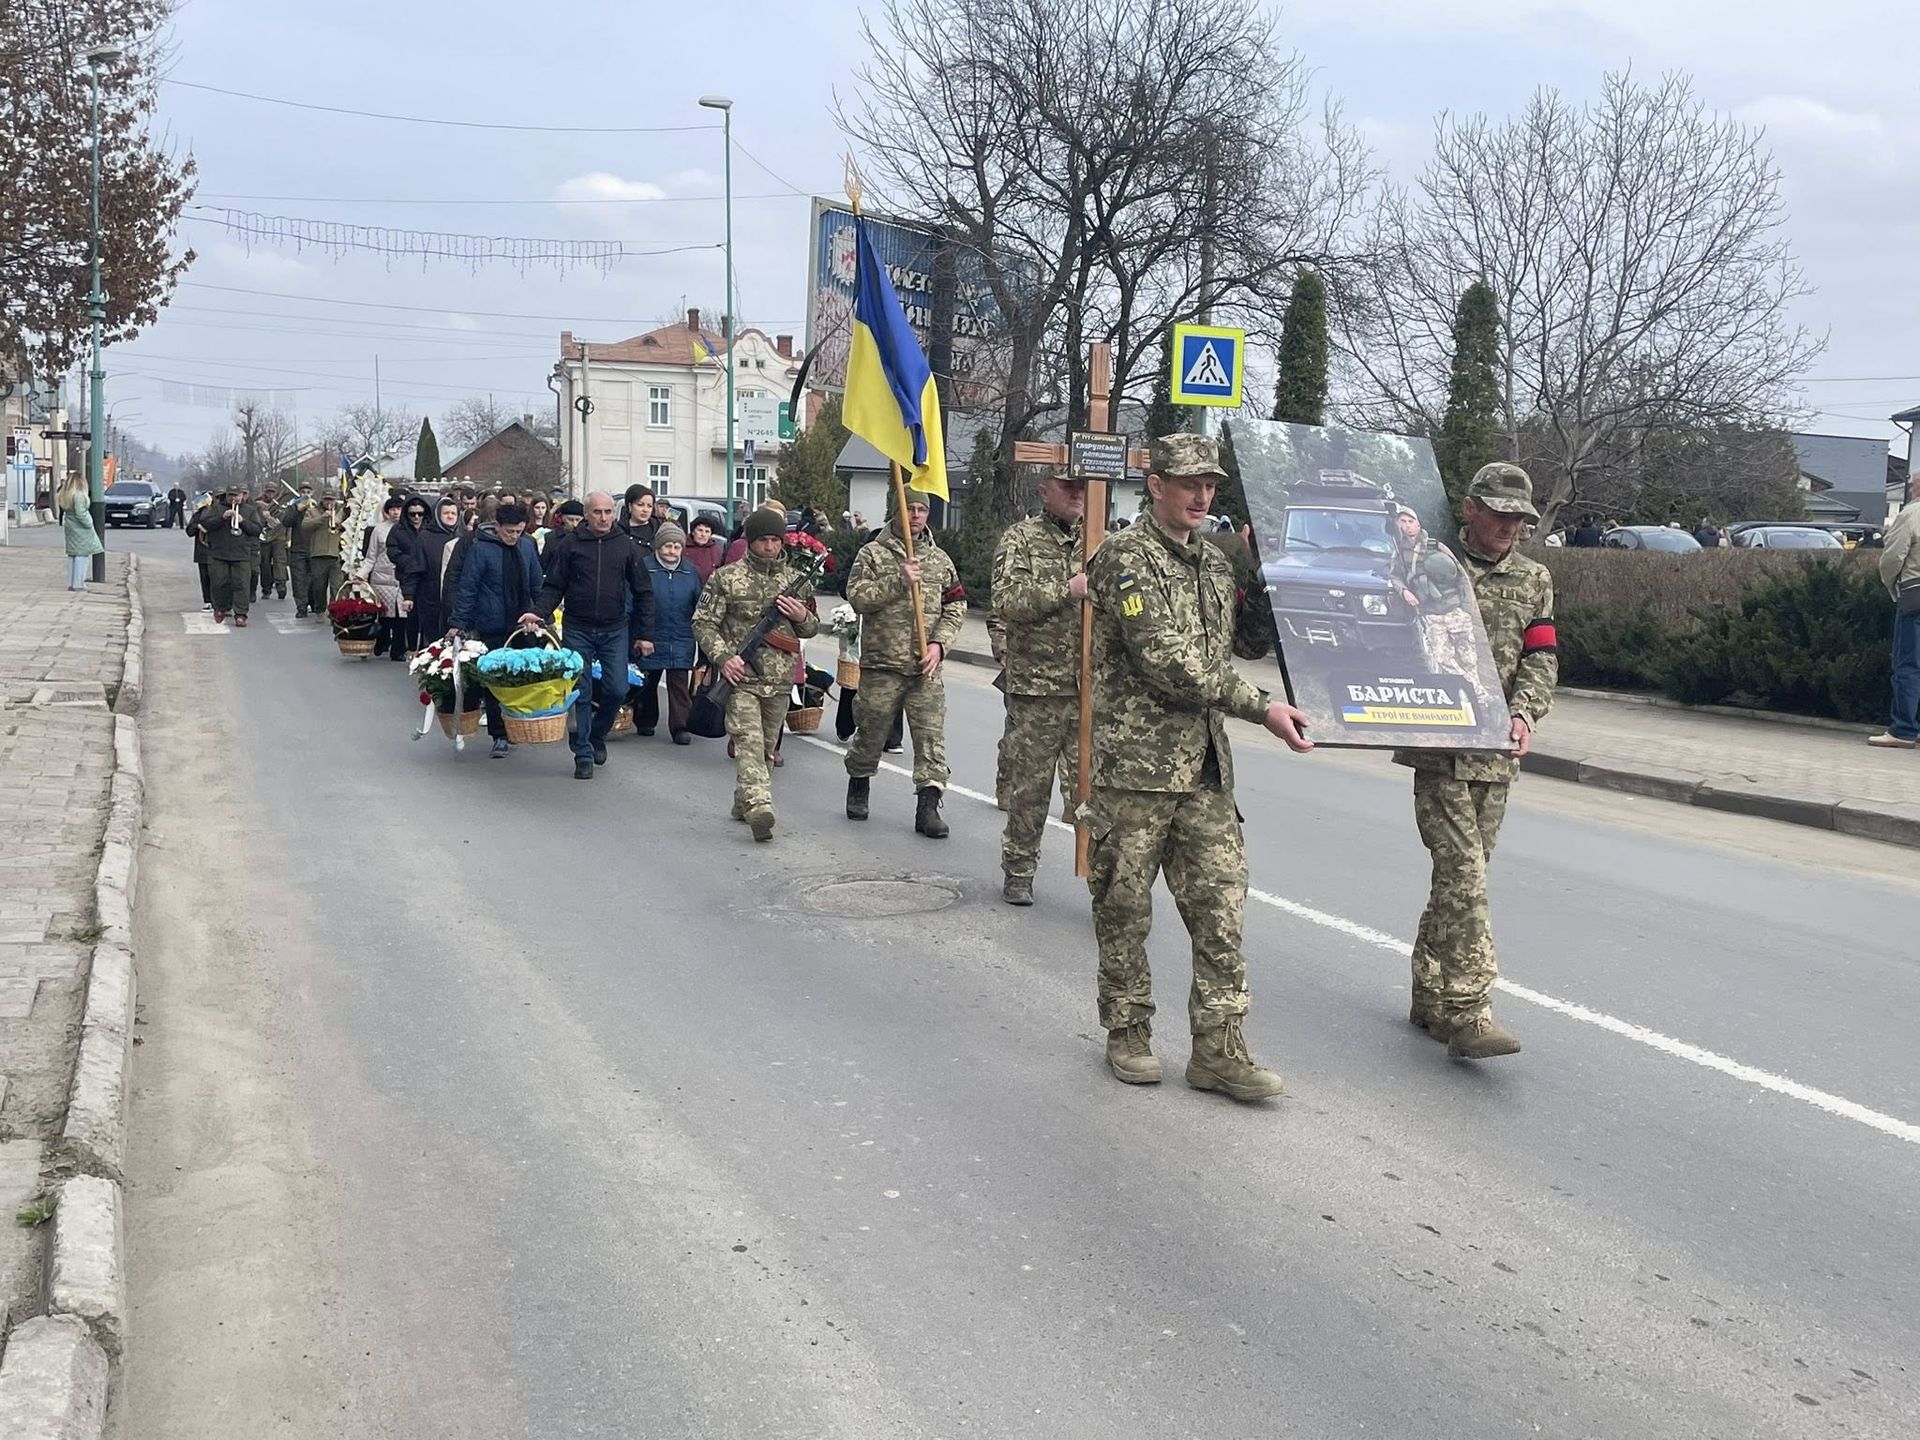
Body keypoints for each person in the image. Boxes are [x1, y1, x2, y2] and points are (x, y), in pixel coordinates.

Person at [1083, 434, 1314, 1101]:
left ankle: (1218, 1049)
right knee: (1123, 908)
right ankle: (1127, 1030)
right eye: (1189, 483)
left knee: (1222, 908)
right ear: (1156, 485)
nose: (1201, 495)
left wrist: (1270, 577)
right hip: (1136, 769)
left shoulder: (1213, 564)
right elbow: (1166, 663)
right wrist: (1262, 707)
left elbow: (1243, 641)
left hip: (1204, 770)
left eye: (1210, 485)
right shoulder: (1124, 559)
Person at [1395, 463, 1557, 1060]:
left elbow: (1542, 655)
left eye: (1520, 518)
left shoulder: (1535, 577)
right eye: (1500, 513)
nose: (1510, 526)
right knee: (1463, 870)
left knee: (1462, 877)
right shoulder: (1425, 561)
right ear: (1471, 509)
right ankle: (1468, 1009)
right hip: (1436, 741)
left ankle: (1428, 993)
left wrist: (1526, 712)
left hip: (1495, 749)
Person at [843, 491, 968, 837]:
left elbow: (956, 605)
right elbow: (857, 597)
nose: (916, 515)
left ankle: (927, 806)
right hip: (883, 664)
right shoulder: (873, 554)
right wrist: (899, 580)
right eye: (909, 509)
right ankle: (859, 782)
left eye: (922, 510)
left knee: (931, 740)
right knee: (870, 732)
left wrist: (939, 645)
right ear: (896, 511)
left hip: (924, 667)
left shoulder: (940, 560)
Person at [690, 507, 817, 841]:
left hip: (779, 679)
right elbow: (703, 622)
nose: (771, 547)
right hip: (741, 677)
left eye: (776, 540)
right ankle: (760, 805)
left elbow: (812, 627)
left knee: (765, 749)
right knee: (748, 741)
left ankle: (742, 800)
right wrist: (724, 657)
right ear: (751, 540)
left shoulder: (794, 581)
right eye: (764, 540)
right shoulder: (726, 578)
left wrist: (801, 614)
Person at [991, 469, 1088, 905]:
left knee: (1094, 794)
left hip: (1091, 690)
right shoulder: (1021, 540)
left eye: (1084, 486)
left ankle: (1103, 881)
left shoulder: (1103, 540)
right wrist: (1068, 590)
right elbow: (1008, 601)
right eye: (1068, 486)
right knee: (1030, 790)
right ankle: (1019, 869)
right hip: (1037, 690)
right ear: (1044, 489)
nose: (1078, 494)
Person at [519, 491, 653, 779]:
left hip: (615, 629)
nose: (603, 518)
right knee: (581, 691)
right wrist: (539, 612)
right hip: (578, 628)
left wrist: (645, 634)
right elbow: (554, 586)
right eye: (597, 512)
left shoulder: (625, 547)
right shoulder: (570, 546)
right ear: (587, 515)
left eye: (608, 512)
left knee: (617, 688)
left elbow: (643, 591)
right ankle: (583, 752)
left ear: (614, 514)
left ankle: (597, 735)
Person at [453, 502, 545, 760]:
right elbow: (468, 588)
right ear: (497, 527)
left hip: (523, 623)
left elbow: (537, 583)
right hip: (491, 624)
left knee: (522, 676)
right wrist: (458, 623)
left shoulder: (527, 546)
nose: (514, 536)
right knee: (494, 680)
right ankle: (499, 734)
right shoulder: (480, 549)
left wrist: (540, 614)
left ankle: (519, 725)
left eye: (518, 531)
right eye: (509, 532)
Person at [635, 522, 701, 743]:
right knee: (648, 681)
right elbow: (632, 601)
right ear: (658, 547)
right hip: (651, 633)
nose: (672, 552)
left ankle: (680, 726)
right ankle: (645, 719)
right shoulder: (644, 567)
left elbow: (699, 605)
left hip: (681, 634)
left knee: (679, 682)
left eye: (676, 547)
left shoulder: (690, 572)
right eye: (667, 547)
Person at [1869, 500, 1920, 748]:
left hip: (1916, 594)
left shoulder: (1912, 513)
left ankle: (1904, 729)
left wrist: (1892, 584)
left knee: (1908, 663)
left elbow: (1893, 556)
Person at [190, 485, 265, 625]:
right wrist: (222, 518)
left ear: (242, 496)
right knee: (219, 583)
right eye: (231, 495)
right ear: (226, 495)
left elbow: (257, 530)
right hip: (218, 553)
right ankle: (220, 608)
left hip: (242, 554)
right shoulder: (216, 508)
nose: (233, 498)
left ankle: (241, 615)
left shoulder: (250, 510)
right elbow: (204, 524)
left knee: (241, 585)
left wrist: (242, 521)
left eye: (236, 495)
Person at [403, 496, 462, 644]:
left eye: (453, 513)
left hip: (455, 598)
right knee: (434, 638)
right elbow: (414, 568)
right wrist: (409, 595)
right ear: (437, 515)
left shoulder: (462, 537)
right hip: (431, 597)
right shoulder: (425, 537)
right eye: (446, 513)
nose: (450, 516)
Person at [360, 495, 409, 660]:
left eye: (399, 509)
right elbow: (371, 556)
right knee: (385, 616)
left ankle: (399, 650)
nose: (396, 513)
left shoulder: (407, 529)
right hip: (381, 579)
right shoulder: (378, 530)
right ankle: (382, 640)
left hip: (402, 578)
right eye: (392, 509)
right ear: (386, 512)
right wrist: (361, 575)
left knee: (402, 616)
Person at [384, 496, 429, 657]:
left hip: (427, 577)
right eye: (412, 514)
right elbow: (392, 551)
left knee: (427, 614)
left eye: (420, 513)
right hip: (407, 575)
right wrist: (409, 562)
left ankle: (425, 648)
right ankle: (411, 647)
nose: (416, 517)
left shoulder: (429, 528)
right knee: (412, 614)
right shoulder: (398, 529)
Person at [300, 493, 345, 618]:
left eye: (332, 499)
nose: (329, 502)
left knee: (336, 586)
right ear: (322, 500)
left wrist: (339, 523)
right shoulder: (312, 511)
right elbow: (305, 525)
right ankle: (320, 610)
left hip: (336, 555)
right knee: (319, 586)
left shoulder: (341, 512)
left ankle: (334, 612)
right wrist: (322, 518)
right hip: (318, 555)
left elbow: (349, 528)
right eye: (326, 499)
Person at [57, 474, 102, 590]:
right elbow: (81, 513)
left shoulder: (65, 495)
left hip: (70, 526)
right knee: (82, 555)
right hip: (81, 528)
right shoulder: (80, 496)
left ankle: (71, 583)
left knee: (73, 554)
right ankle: (79, 583)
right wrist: (89, 522)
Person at [283, 482, 316, 616]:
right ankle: (301, 607)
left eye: (308, 492)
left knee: (314, 579)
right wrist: (298, 509)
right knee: (298, 580)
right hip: (298, 548)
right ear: (299, 493)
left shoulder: (316, 507)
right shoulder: (293, 507)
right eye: (303, 492)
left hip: (314, 548)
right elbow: (286, 522)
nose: (305, 495)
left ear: (312, 493)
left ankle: (314, 604)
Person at [255, 492, 290, 603]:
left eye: (273, 492)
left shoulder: (282, 507)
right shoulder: (259, 505)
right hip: (264, 538)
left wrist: (270, 517)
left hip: (279, 537)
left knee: (280, 562)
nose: (270, 494)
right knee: (264, 564)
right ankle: (266, 589)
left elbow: (281, 523)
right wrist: (264, 517)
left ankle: (281, 587)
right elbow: (257, 521)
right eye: (268, 492)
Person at [618, 484, 660, 555]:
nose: (645, 510)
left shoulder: (660, 529)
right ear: (630, 506)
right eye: (640, 504)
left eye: (649, 506)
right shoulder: (619, 531)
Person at [684, 514, 725, 584]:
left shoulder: (717, 550)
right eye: (700, 530)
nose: (703, 534)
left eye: (707, 531)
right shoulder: (682, 547)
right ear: (693, 532)